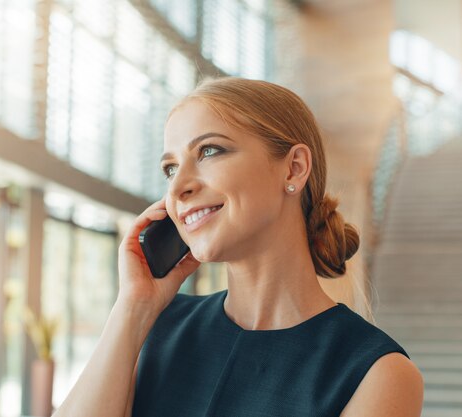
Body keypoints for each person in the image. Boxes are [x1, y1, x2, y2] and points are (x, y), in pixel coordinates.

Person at [52, 77, 424, 417]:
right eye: (170, 168)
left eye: (209, 151)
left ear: (294, 168)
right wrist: (133, 306)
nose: (178, 187)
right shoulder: (156, 326)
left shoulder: (376, 372)